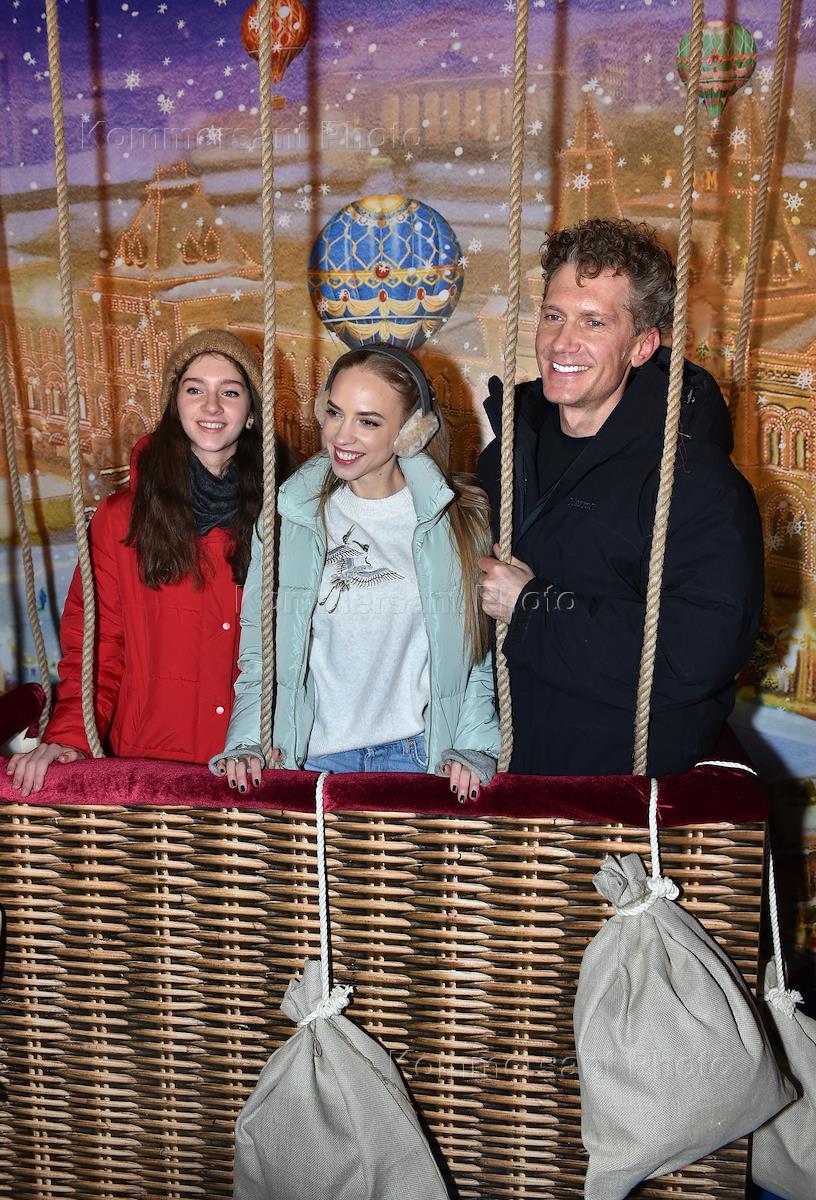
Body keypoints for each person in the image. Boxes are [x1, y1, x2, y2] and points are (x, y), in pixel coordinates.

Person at [477, 217, 764, 777]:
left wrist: (533, 606)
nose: (563, 343)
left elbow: (695, 653)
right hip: (502, 778)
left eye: (594, 322)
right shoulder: (504, 456)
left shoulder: (697, 481)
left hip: (619, 796)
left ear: (642, 345)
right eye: (554, 316)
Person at [212, 345, 500, 801]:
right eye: (334, 412)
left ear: (410, 432)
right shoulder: (289, 518)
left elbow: (476, 657)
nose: (341, 436)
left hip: (418, 759)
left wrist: (475, 747)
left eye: (368, 421)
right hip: (310, 759)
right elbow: (258, 650)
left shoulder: (459, 521)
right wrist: (247, 740)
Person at [6, 329, 264, 796]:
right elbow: (97, 647)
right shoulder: (121, 519)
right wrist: (70, 738)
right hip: (148, 771)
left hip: (255, 770)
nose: (211, 406)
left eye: (229, 392)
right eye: (194, 390)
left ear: (250, 413)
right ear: (174, 405)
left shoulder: (285, 515)